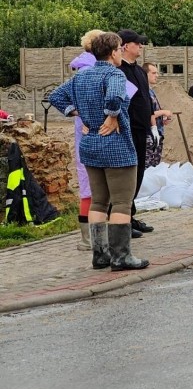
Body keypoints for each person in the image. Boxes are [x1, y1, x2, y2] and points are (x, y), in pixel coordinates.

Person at [49, 32, 149, 271]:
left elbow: (55, 96)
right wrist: (112, 115)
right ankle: (121, 257)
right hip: (116, 145)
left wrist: (77, 113)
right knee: (122, 203)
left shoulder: (81, 76)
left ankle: (100, 255)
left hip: (90, 144)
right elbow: (115, 97)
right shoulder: (114, 73)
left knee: (98, 202)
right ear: (114, 52)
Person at [66, 29, 104, 252]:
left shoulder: (82, 70)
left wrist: (74, 112)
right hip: (93, 133)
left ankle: (91, 238)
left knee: (89, 183)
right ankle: (90, 238)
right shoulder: (92, 72)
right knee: (92, 185)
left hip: (86, 132)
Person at [116, 29, 154, 237]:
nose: (140, 46)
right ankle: (122, 219)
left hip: (141, 128)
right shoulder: (119, 71)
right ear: (125, 46)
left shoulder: (139, 71)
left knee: (138, 173)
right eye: (137, 43)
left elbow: (144, 98)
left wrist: (152, 116)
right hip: (126, 129)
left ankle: (130, 214)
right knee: (126, 175)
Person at [143, 63, 172, 167]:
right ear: (145, 74)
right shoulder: (143, 92)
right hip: (150, 135)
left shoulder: (151, 91)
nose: (157, 75)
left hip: (158, 132)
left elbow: (153, 111)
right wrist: (163, 112)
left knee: (155, 166)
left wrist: (162, 118)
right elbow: (146, 113)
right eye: (154, 73)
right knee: (148, 167)